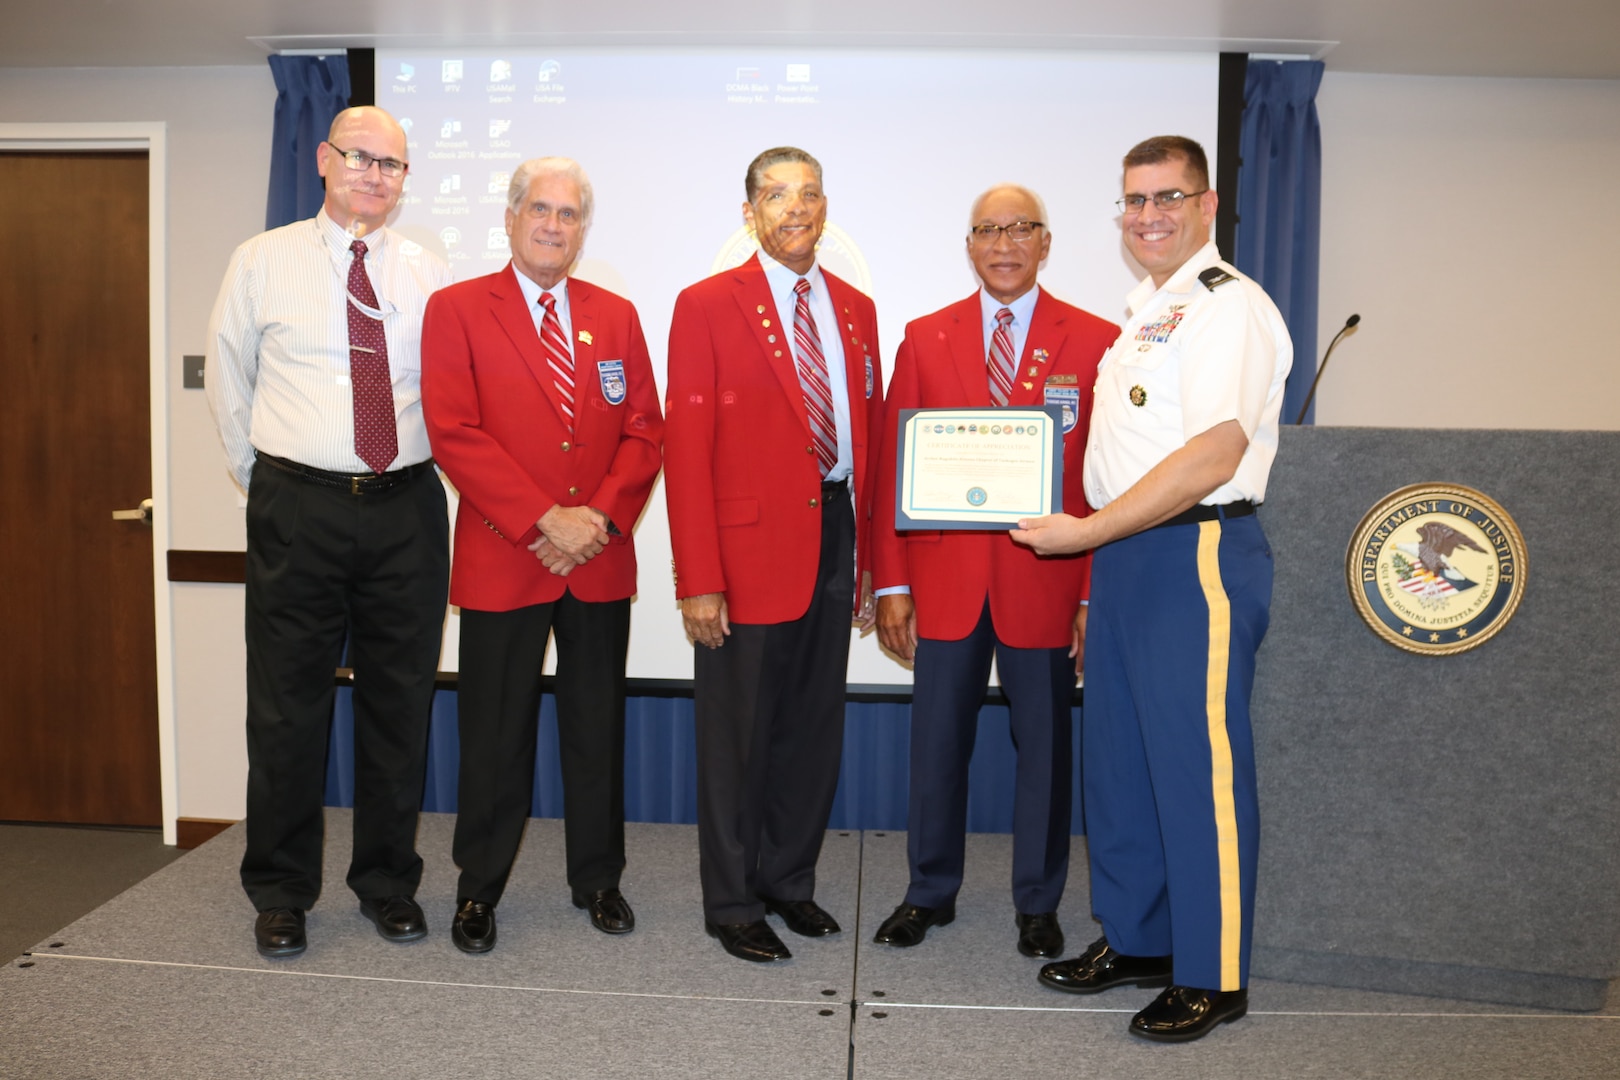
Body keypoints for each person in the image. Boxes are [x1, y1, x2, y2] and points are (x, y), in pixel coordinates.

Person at [1012, 135, 1292, 1042]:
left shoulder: (1227, 307)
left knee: (1197, 769)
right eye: (1135, 201)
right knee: (1122, 766)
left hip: (1195, 555)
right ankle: (1137, 940)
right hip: (1132, 556)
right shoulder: (1147, 310)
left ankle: (1213, 974)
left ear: (1207, 206)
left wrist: (1086, 535)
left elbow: (1214, 453)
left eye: (1169, 198)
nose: (1149, 216)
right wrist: (1100, 559)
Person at [204, 105, 452, 959]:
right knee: (285, 711)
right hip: (297, 506)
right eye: (360, 158)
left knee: (400, 707)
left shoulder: (429, 271)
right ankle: (280, 892)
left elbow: (447, 396)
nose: (375, 176)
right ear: (322, 160)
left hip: (407, 510)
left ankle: (386, 884)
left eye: (392, 165)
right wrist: (272, 481)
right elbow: (229, 386)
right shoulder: (261, 261)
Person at [421, 158, 663, 954]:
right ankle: (478, 889)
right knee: (495, 735)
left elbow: (644, 432)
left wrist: (592, 519)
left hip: (595, 556)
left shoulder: (617, 316)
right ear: (511, 217)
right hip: (505, 554)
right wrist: (541, 521)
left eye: (569, 214)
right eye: (540, 209)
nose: (554, 225)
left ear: (583, 230)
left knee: (596, 730)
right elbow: (454, 431)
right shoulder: (456, 310)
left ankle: (598, 880)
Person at [869, 185, 1117, 959]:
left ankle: (1038, 901)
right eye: (987, 230)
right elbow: (889, 471)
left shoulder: (1096, 339)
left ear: (1046, 243)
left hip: (1045, 586)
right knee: (936, 746)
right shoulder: (923, 337)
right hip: (943, 584)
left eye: (1020, 229)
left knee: (1044, 750)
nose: (1003, 243)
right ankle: (928, 891)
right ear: (969, 245)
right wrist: (891, 584)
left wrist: (1088, 592)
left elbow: (1104, 482)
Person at [663, 147, 884, 962]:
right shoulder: (707, 304)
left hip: (835, 533)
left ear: (828, 207)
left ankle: (789, 882)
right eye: (778, 194)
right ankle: (730, 901)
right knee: (737, 739)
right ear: (750, 210)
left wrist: (870, 567)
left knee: (809, 729)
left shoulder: (857, 308)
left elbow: (872, 443)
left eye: (812, 192)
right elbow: (686, 453)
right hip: (744, 551)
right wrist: (699, 580)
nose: (798, 207)